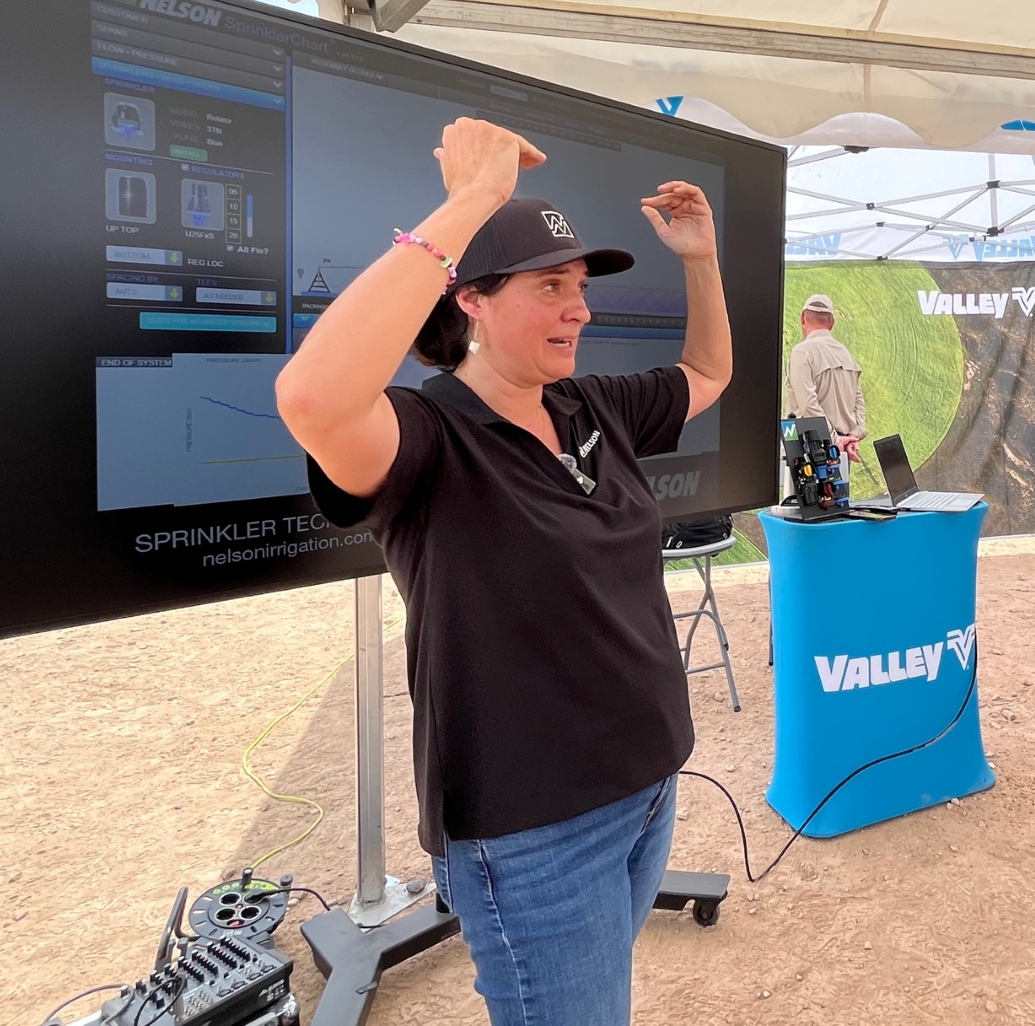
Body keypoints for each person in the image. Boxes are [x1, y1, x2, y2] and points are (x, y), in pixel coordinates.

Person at [275, 117, 731, 1026]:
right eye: (551, 286)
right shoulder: (423, 435)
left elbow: (707, 371)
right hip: (533, 837)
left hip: (648, 785)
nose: (581, 307)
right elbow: (312, 397)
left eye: (581, 286)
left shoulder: (588, 401)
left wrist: (701, 259)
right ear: (472, 300)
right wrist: (471, 198)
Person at [786, 293, 867, 462]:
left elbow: (808, 404)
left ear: (802, 318)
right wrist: (852, 435)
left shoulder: (802, 352)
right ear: (832, 323)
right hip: (841, 449)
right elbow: (858, 399)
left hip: (810, 450)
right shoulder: (846, 354)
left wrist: (834, 440)